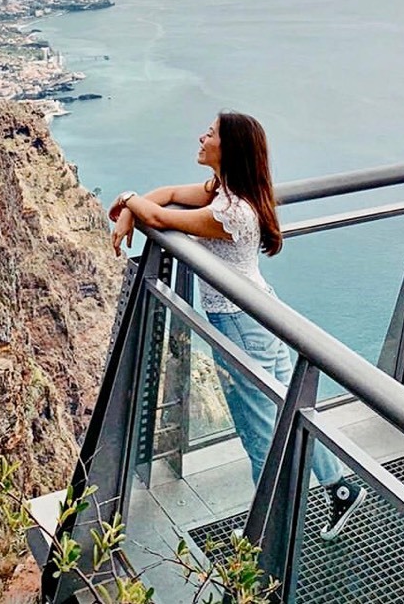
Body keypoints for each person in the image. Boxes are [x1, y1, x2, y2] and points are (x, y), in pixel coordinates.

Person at [108, 111, 366, 541]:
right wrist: (132, 209)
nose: (201, 136)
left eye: (210, 133)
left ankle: (268, 534)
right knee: (291, 411)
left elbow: (161, 217)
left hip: (240, 322)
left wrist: (129, 198)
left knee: (257, 429)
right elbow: (169, 195)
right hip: (259, 312)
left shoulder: (231, 212)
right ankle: (339, 488)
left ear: (229, 148)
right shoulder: (224, 191)